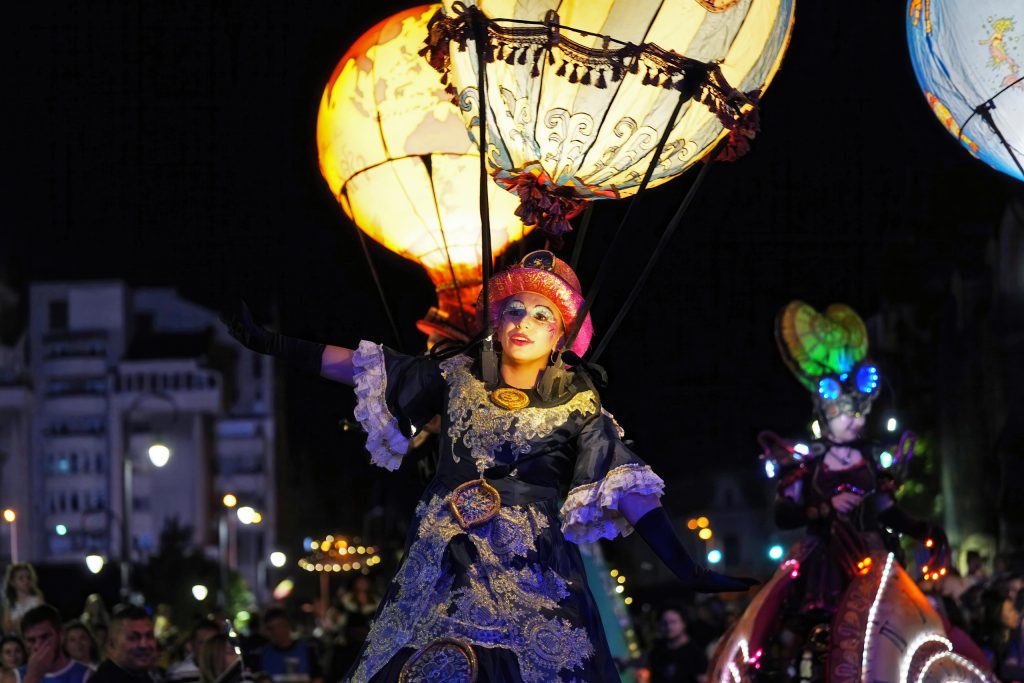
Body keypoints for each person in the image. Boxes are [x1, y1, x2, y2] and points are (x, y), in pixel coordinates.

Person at [226, 250, 756, 682]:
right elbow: (371, 366)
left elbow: (625, 486)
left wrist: (686, 568)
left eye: (543, 315)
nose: (525, 322)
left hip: (532, 566)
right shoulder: (456, 375)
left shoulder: (579, 404)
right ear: (497, 323)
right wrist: (274, 344)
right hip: (445, 556)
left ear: (561, 336)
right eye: (515, 310)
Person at [18, 605, 91, 683]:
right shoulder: (15, 676)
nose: (38, 645)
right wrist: (32, 677)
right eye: (31, 640)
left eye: (45, 637)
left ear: (61, 635)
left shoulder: (86, 676)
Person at [90, 606, 159, 683]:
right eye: (133, 638)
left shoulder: (144, 676)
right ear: (112, 645)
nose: (144, 645)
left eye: (149, 636)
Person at [256, 609, 321, 683]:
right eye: (272, 629)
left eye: (280, 626)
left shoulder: (306, 650)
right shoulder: (265, 655)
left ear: (288, 625)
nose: (277, 632)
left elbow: (317, 678)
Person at [647, 605, 707, 683]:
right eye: (664, 623)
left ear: (684, 623)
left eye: (673, 622)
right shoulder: (657, 651)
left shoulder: (695, 654)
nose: (669, 627)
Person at [3, 565, 44, 634]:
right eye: (21, 578)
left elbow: (42, 620)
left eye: (28, 577)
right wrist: (16, 624)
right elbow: (6, 628)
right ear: (12, 582)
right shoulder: (9, 603)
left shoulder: (37, 599)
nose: (26, 581)